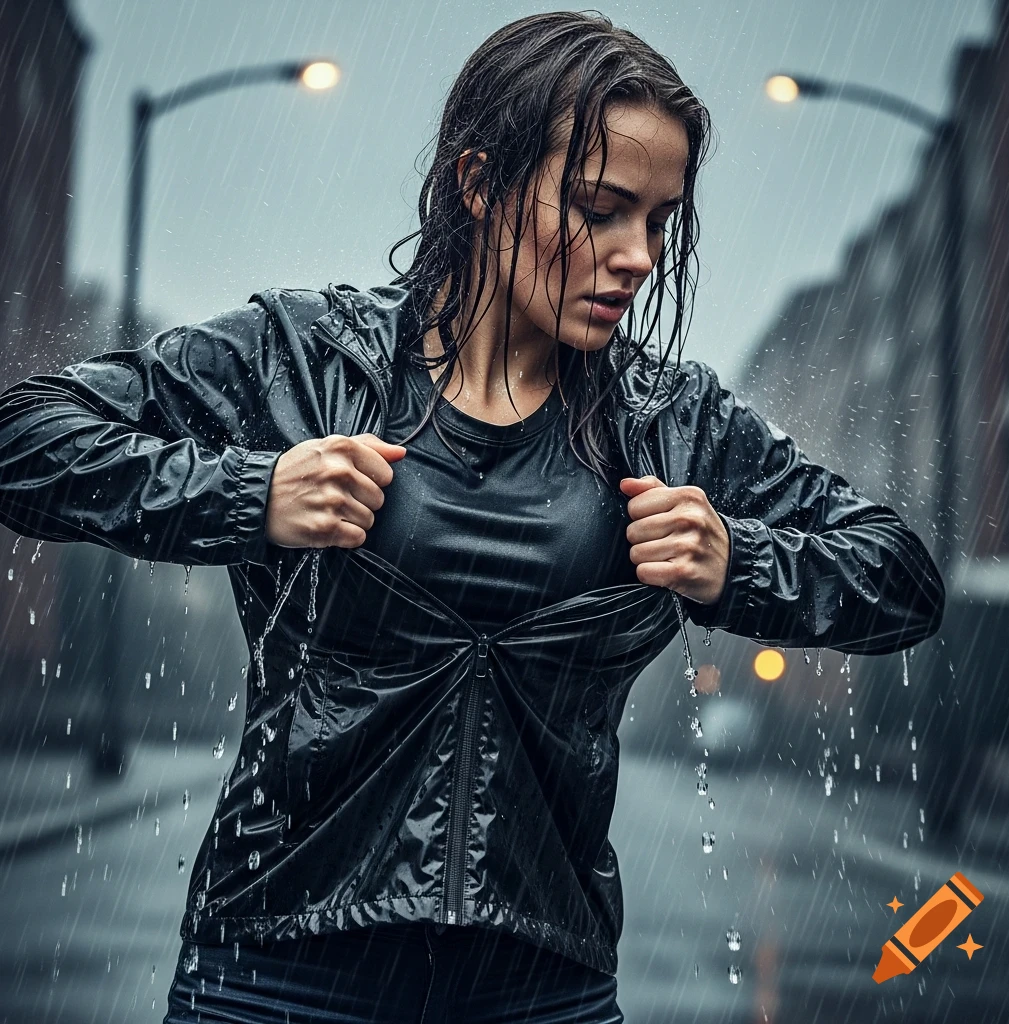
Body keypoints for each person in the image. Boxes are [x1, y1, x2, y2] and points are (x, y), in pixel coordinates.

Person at [0, 11, 944, 1024]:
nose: (637, 256)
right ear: (480, 182)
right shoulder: (306, 361)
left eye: (659, 219)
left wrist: (736, 562)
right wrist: (247, 495)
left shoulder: (672, 422)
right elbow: (27, 437)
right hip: (274, 969)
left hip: (543, 985)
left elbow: (899, 579)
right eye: (599, 208)